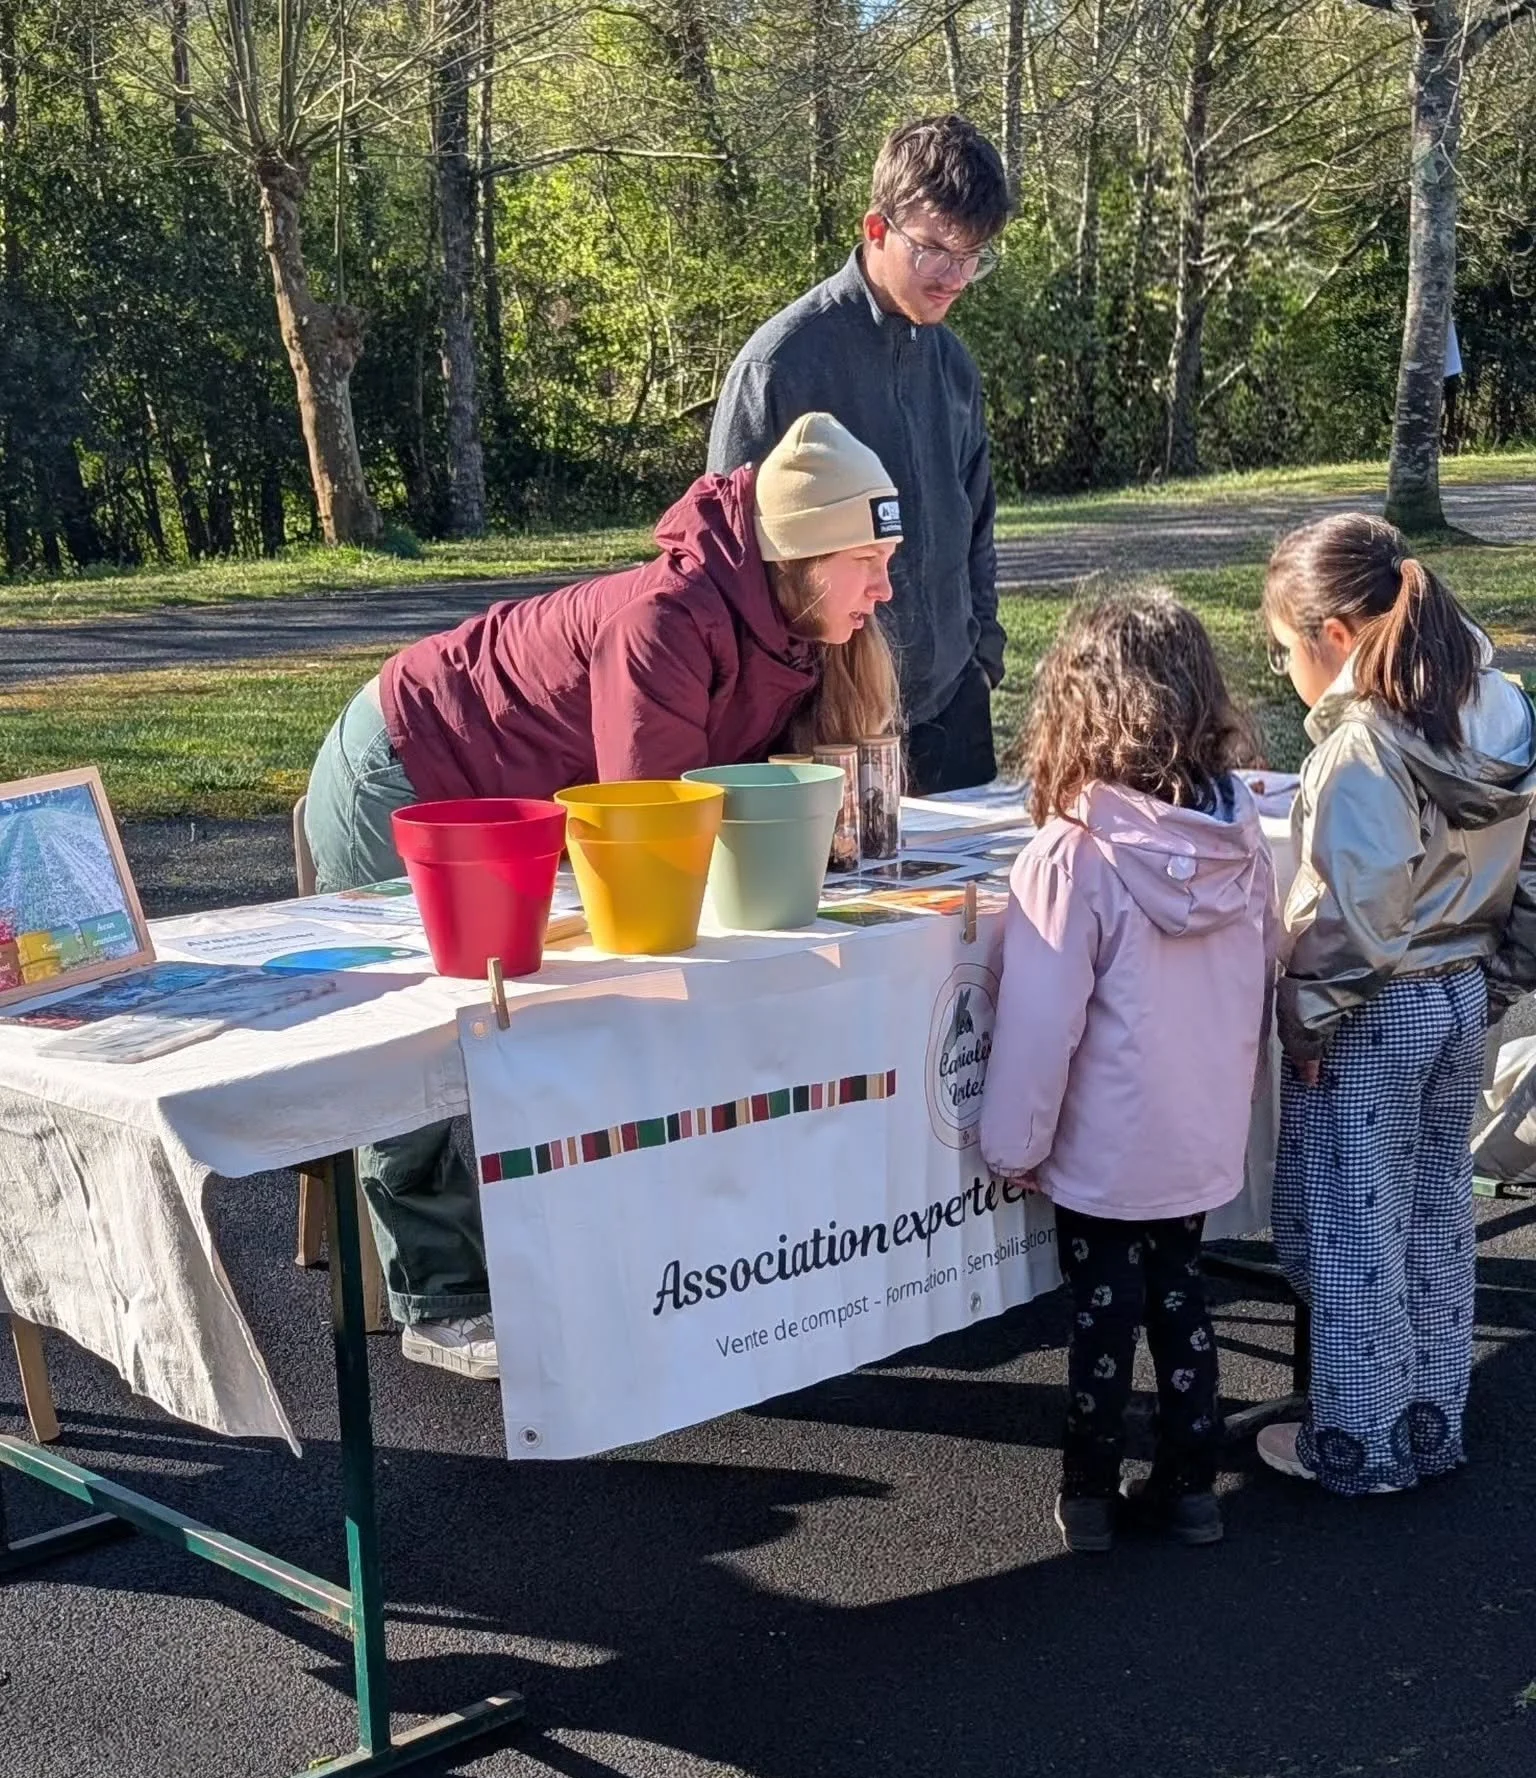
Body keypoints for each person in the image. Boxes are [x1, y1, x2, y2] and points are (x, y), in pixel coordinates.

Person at [305, 413, 902, 1380]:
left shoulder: (796, 627)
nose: (883, 583)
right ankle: (440, 1293)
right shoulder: (664, 622)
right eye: (864, 557)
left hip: (524, 801)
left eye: (887, 555)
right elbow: (647, 845)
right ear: (797, 555)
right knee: (425, 1020)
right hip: (410, 768)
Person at [979, 593, 1275, 1554]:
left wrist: (1013, 1145)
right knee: (1182, 1297)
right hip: (1199, 1132)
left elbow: (1039, 1027)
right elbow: (1262, 976)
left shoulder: (1072, 857)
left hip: (1106, 1147)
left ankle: (1090, 1493)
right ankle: (1192, 1487)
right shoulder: (1242, 845)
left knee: (1103, 1316)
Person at [1261, 512, 1536, 1495]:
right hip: (1465, 992)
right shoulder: (1501, 708)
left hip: (1376, 1007)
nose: (1287, 670)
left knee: (1349, 1232)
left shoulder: (1362, 745)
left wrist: (1304, 1023)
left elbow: (1352, 919)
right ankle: (1429, 1420)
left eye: (1285, 648)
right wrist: (1498, 978)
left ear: (1333, 635)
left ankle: (1360, 1443)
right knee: (1433, 1218)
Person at [707, 114, 1011, 796]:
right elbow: (723, 567)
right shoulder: (779, 364)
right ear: (877, 229)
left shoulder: (955, 366)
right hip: (823, 723)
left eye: (974, 256)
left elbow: (978, 524)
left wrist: (982, 656)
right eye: (936, 251)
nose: (955, 278)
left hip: (953, 711)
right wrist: (788, 702)